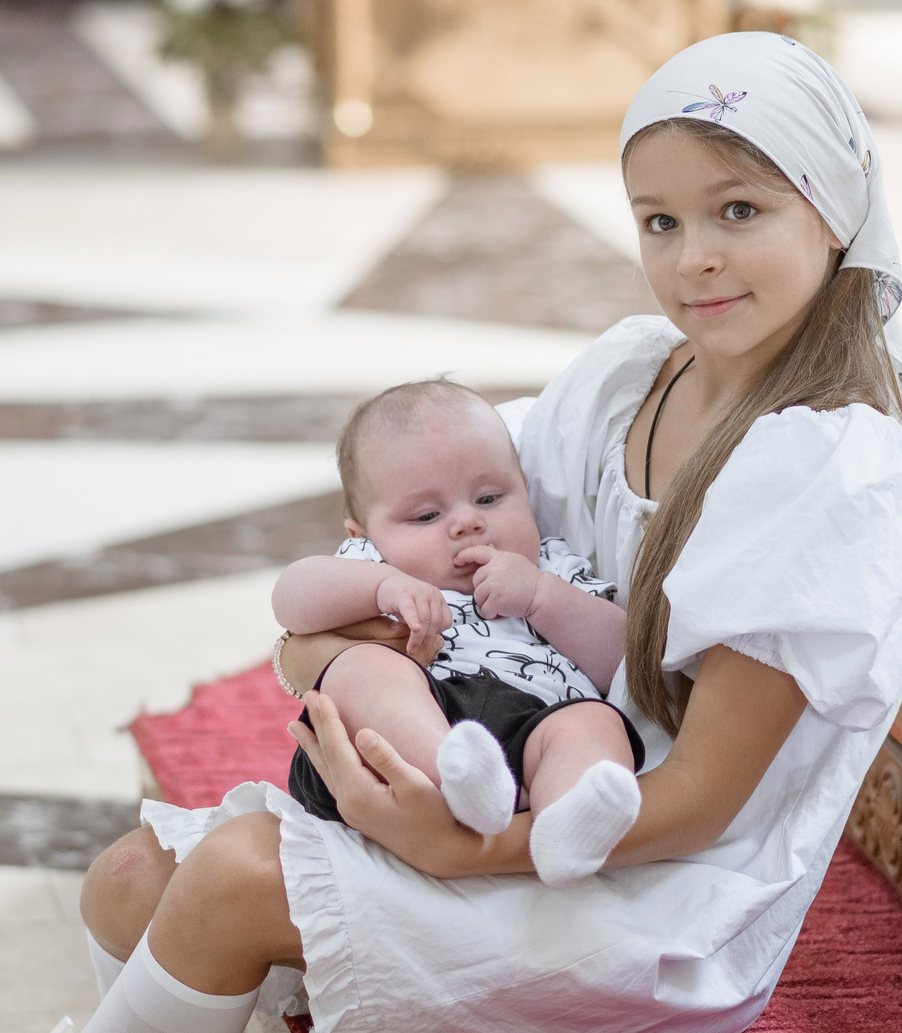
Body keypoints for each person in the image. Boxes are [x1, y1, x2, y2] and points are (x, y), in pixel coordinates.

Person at [0, 30, 902, 1033]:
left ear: (834, 206)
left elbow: (708, 802)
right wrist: (324, 660)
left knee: (226, 875)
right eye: (658, 221)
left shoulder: (830, 469)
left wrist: (459, 844)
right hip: (501, 764)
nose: (695, 256)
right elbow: (416, 547)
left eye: (740, 208)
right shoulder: (629, 381)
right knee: (128, 878)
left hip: (646, 885)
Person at [274, 377, 645, 887]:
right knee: (361, 668)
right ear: (363, 533)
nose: (467, 522)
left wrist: (541, 596)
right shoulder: (373, 567)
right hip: (399, 742)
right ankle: (457, 773)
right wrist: (382, 586)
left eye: (490, 498)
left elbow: (623, 663)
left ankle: (566, 829)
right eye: (427, 515)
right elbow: (290, 598)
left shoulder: (552, 568)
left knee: (594, 723)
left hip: (531, 730)